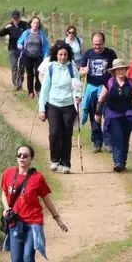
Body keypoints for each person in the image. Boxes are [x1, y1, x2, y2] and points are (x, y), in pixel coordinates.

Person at [1, 145, 68, 262]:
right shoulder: (8, 173)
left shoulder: (37, 178)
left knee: (27, 257)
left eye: (25, 155)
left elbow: (46, 199)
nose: (22, 158)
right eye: (19, 155)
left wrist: (57, 218)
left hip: (33, 222)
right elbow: (4, 192)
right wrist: (6, 208)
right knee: (16, 260)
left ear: (31, 158)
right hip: (15, 222)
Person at [38, 41, 83, 174]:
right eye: (60, 54)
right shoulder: (51, 68)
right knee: (54, 132)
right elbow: (44, 90)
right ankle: (54, 159)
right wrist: (42, 109)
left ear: (68, 55)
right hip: (53, 105)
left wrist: (78, 96)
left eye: (65, 55)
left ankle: (66, 163)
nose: (63, 57)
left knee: (67, 134)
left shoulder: (72, 68)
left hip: (69, 106)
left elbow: (78, 86)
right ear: (56, 55)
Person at [95, 59, 132, 172]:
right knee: (117, 137)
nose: (121, 71)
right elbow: (102, 98)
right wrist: (98, 112)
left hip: (127, 114)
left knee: (125, 139)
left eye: (123, 69)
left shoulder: (131, 83)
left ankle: (122, 162)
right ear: (114, 71)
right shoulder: (110, 82)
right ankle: (117, 162)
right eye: (118, 69)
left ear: (126, 70)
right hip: (113, 114)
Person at [79, 32, 118, 153]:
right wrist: (84, 71)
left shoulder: (111, 54)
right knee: (94, 116)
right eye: (95, 44)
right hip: (92, 88)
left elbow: (117, 70)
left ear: (103, 43)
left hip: (107, 89)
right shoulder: (88, 54)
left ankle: (108, 142)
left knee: (108, 115)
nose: (97, 47)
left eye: (99, 44)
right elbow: (80, 71)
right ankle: (97, 142)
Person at [16, 17, 50, 99]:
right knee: (30, 74)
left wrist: (46, 56)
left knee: (38, 73)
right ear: (31, 24)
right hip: (27, 56)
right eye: (34, 23)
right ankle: (30, 91)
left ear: (39, 25)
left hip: (38, 57)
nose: (36, 24)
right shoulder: (26, 33)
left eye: (37, 23)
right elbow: (19, 41)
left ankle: (38, 90)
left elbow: (46, 46)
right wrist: (20, 45)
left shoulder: (41, 34)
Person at [0, 9, 28, 90]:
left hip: (22, 50)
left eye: (17, 18)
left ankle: (20, 82)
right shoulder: (9, 26)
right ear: (12, 18)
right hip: (12, 49)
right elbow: (0, 34)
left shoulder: (25, 25)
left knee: (21, 67)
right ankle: (16, 84)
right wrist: (5, 28)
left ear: (19, 18)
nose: (15, 20)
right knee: (14, 66)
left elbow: (31, 31)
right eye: (14, 18)